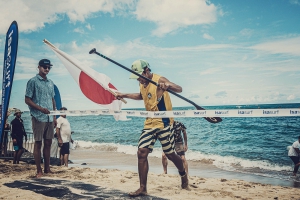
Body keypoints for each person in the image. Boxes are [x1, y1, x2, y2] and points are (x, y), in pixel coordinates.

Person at [116, 59, 189, 197]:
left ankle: (183, 174)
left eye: (139, 76)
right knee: (141, 152)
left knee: (170, 154)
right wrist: (124, 94)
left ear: (146, 71)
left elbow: (179, 89)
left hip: (164, 123)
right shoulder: (142, 83)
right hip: (149, 122)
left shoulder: (158, 79)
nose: (138, 79)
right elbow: (141, 96)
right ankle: (143, 188)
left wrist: (167, 85)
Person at [25, 58, 57, 178]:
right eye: (44, 66)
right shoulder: (32, 81)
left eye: (49, 67)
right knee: (38, 143)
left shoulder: (51, 83)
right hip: (38, 117)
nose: (47, 69)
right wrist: (40, 109)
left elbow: (52, 100)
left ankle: (47, 168)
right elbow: (27, 99)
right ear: (39, 67)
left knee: (48, 143)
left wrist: (54, 117)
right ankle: (39, 170)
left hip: (49, 118)